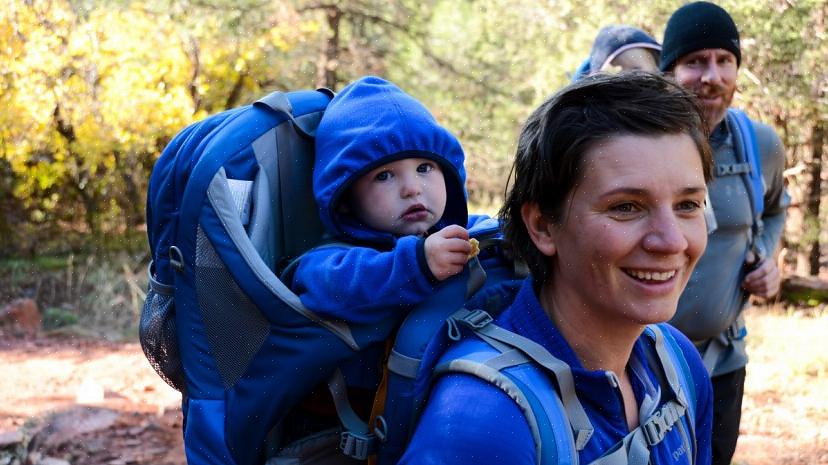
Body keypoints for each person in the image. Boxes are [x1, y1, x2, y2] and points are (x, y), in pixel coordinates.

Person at [401, 73, 714, 464]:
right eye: (626, 207)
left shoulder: (678, 366)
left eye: (687, 205)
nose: (672, 241)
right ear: (542, 226)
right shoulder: (481, 425)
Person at [659, 4, 789, 465]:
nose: (711, 76)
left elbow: (776, 207)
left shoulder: (760, 146)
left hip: (723, 364)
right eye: (694, 62)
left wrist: (764, 255)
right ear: (669, 71)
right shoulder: (641, 146)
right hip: (642, 364)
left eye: (724, 60)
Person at [291, 75, 478, 325]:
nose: (412, 189)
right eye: (384, 176)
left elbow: (479, 229)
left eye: (424, 168)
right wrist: (418, 265)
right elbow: (328, 286)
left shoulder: (439, 234)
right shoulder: (332, 263)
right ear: (345, 197)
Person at [571, 25, 661, 81]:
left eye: (636, 71)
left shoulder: (668, 94)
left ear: (656, 67)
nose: (627, 79)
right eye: (616, 75)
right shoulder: (600, 107)